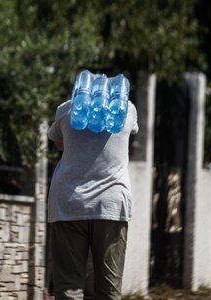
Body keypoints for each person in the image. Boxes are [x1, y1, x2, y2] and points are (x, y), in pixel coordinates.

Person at [47, 98, 139, 300]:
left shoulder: (66, 109)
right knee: (109, 289)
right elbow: (131, 133)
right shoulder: (127, 108)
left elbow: (59, 143)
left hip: (69, 203)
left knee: (68, 287)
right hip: (111, 205)